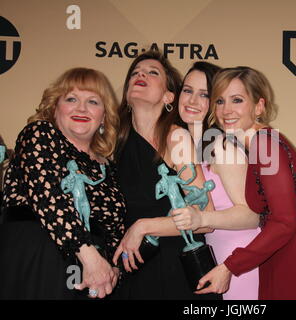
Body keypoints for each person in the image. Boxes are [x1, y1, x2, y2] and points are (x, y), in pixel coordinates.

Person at [192, 66, 296, 300]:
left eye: (237, 100)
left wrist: (229, 266)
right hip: (281, 258)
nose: (226, 110)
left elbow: (284, 222)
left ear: (259, 106)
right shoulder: (256, 147)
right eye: (220, 101)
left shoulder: (264, 143)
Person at [0, 67, 125, 299]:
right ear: (54, 108)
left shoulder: (109, 167)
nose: (81, 108)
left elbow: (115, 231)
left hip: (93, 277)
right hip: (36, 258)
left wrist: (113, 271)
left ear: (104, 116)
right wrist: (90, 258)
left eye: (93, 102)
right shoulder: (38, 134)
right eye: (71, 98)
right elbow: (48, 198)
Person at [111, 50, 219, 300]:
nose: (141, 75)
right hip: (133, 265)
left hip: (176, 266)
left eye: (152, 72)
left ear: (169, 95)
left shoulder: (176, 138)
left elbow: (207, 216)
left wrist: (143, 227)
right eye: (135, 73)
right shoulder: (112, 143)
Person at [170, 62, 260, 300]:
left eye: (204, 95)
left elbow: (252, 216)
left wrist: (202, 218)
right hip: (216, 261)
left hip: (240, 265)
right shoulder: (186, 146)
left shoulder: (221, 145)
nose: (191, 101)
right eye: (187, 91)